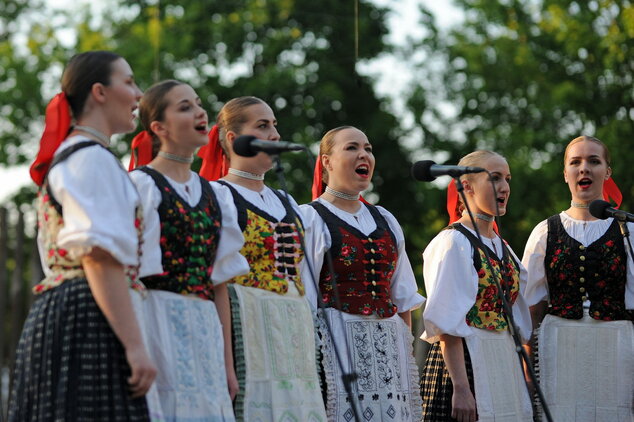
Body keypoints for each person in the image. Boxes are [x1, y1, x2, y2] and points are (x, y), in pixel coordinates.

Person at [8, 51, 155, 421]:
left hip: (73, 309)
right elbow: (99, 256)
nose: (138, 94)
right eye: (128, 82)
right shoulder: (89, 159)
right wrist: (136, 347)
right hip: (86, 313)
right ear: (99, 92)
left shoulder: (79, 155)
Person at [198, 96, 327, 421]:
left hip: (292, 330)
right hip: (247, 327)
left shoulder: (286, 200)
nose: (273, 134)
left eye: (274, 125)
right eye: (262, 126)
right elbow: (216, 280)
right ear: (232, 139)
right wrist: (225, 359)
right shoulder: (219, 196)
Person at [128, 80, 248, 420]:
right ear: (159, 128)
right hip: (156, 319)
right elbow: (128, 278)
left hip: (205, 326)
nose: (199, 112)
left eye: (198, 104)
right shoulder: (141, 186)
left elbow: (219, 284)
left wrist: (228, 364)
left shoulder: (216, 195)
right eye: (184, 107)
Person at [301, 126, 425, 421]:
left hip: (388, 350)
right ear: (327, 161)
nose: (364, 154)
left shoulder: (386, 219)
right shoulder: (311, 217)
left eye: (368, 148)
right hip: (338, 346)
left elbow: (402, 298)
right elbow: (304, 298)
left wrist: (403, 361)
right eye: (352, 147)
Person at [521, 135, 634, 421]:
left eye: (594, 161)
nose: (584, 168)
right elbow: (530, 309)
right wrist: (526, 369)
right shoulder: (545, 232)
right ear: (565, 173)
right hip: (559, 345)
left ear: (607, 171)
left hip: (615, 342)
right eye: (575, 162)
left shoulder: (627, 231)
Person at [420, 150, 533, 422]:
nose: (504, 187)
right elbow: (447, 325)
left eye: (507, 178)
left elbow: (518, 319)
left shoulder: (503, 246)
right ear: (466, 186)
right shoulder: (453, 243)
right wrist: (460, 387)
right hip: (466, 364)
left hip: (502, 362)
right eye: (494, 178)